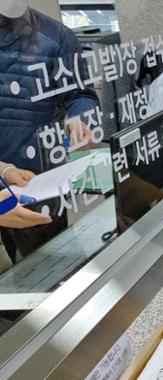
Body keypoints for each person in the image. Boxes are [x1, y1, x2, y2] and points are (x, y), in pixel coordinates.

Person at [0, 0, 100, 262]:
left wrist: (80, 119)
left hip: (35, 178)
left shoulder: (56, 35)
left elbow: (80, 93)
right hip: (6, 172)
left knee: (49, 267)